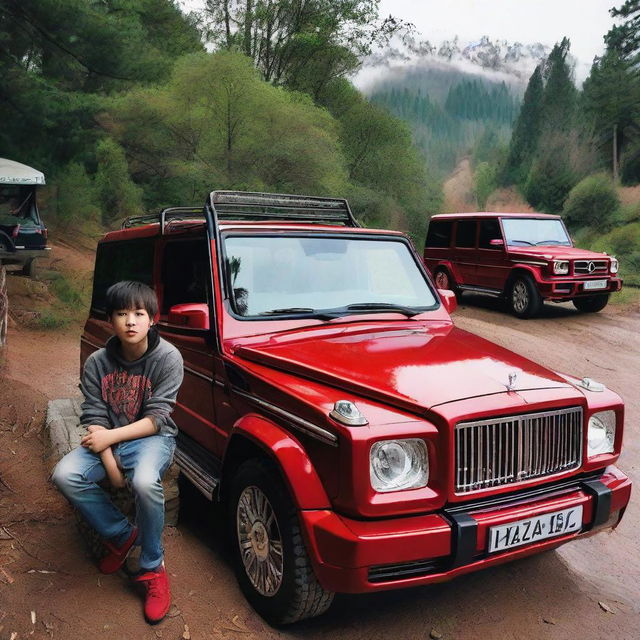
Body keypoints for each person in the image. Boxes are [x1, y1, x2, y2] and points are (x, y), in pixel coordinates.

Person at [52, 280, 184, 624]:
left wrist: (110, 439)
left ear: (152, 319)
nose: (130, 321)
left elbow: (157, 420)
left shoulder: (168, 358)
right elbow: (94, 416)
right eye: (121, 313)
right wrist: (110, 464)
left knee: (144, 482)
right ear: (110, 319)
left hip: (153, 439)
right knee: (65, 474)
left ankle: (153, 568)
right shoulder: (97, 362)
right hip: (108, 439)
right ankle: (124, 535)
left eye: (139, 313)